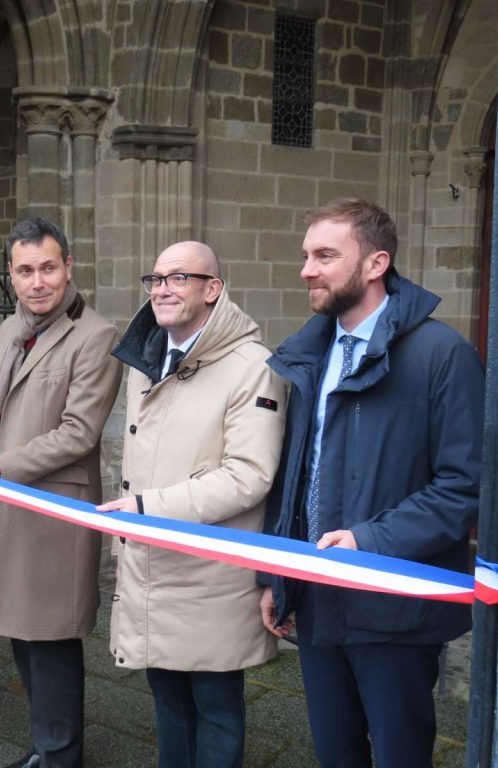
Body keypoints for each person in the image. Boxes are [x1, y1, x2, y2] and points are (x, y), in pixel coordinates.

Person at [259, 198, 484, 768]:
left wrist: (368, 541)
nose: (307, 269)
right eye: (306, 255)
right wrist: (276, 576)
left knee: (400, 755)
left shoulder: (443, 355)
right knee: (335, 754)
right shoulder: (310, 353)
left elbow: (462, 487)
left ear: (376, 263)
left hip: (394, 605)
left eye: (326, 255)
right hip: (316, 598)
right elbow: (295, 477)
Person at [98, 241, 287, 768]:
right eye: (156, 278)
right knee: (167, 702)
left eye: (179, 278)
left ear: (213, 289)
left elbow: (250, 475)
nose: (162, 289)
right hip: (154, 562)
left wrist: (145, 507)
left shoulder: (252, 366)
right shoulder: (148, 357)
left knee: (216, 707)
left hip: (210, 572)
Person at [0, 218, 122, 768]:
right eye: (25, 270)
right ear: (10, 274)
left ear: (68, 267)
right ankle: (47, 747)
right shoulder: (8, 330)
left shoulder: (96, 335)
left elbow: (79, 433)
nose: (38, 281)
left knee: (50, 640)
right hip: (7, 502)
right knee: (21, 634)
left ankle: (60, 757)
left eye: (48, 268)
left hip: (54, 509)